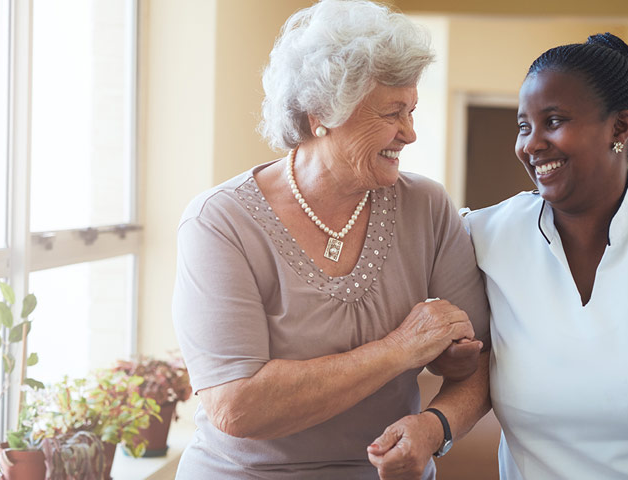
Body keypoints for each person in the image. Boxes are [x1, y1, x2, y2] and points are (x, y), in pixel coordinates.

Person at [372, 33, 628, 479]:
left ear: (620, 128)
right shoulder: (485, 236)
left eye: (553, 121)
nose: (530, 145)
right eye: (524, 126)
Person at [171, 1, 489, 478]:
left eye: (412, 111)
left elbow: (484, 363)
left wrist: (435, 425)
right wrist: (402, 348)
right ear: (321, 113)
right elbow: (237, 405)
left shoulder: (427, 206)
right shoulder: (220, 223)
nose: (410, 133)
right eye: (392, 113)